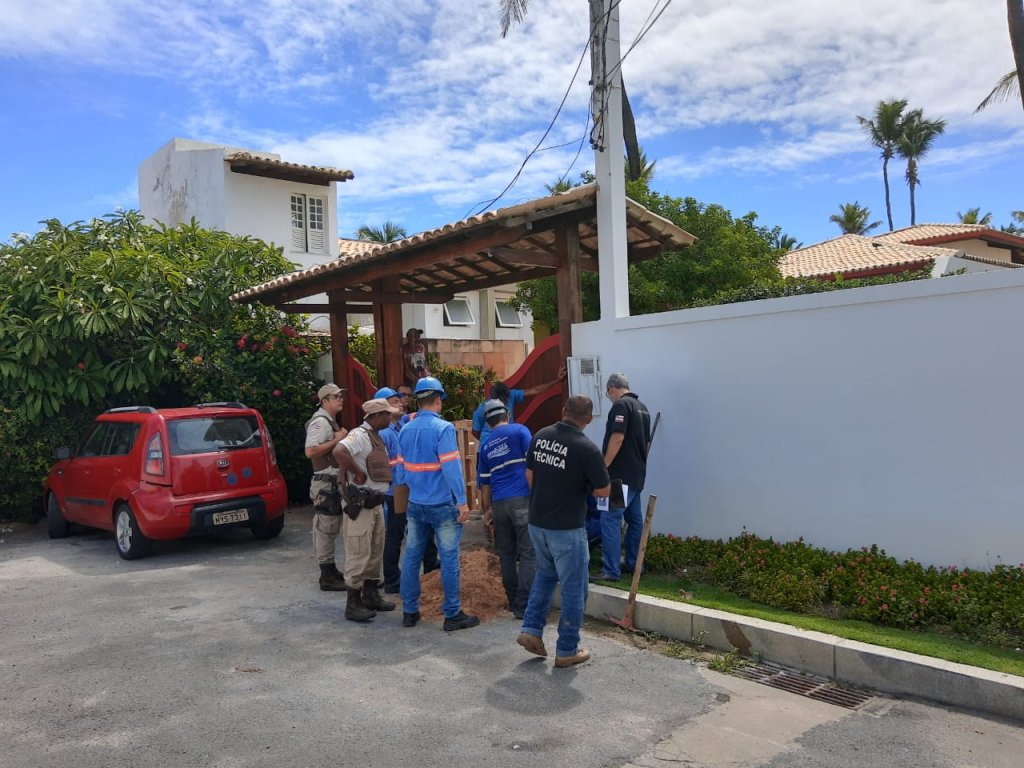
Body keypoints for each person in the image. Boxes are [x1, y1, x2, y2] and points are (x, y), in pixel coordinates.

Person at [517, 395, 610, 668]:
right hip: (567, 528)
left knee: (546, 575)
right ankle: (568, 649)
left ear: (563, 411)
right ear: (588, 419)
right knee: (574, 588)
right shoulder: (587, 448)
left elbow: (530, 476)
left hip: (538, 523)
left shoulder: (540, 436)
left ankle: (530, 629)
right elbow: (603, 491)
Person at [393, 376, 479, 631]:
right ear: (438, 399)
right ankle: (452, 614)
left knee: (412, 557)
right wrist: (462, 503)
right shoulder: (443, 429)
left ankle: (409, 612)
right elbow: (452, 469)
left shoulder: (405, 429)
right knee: (449, 558)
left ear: (418, 401)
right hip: (442, 505)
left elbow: (400, 472)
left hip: (416, 503)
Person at [333, 398, 399, 622]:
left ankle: (370, 595)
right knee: (359, 552)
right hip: (362, 504)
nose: (390, 417)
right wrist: (358, 473)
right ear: (377, 416)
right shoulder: (360, 435)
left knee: (375, 550)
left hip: (375, 502)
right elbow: (339, 451)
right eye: (387, 414)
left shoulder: (375, 436)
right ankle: (352, 604)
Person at [375, 386, 439, 594]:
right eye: (395, 401)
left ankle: (431, 564)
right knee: (395, 535)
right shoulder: (384, 433)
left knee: (423, 527)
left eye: (400, 399)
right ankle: (392, 579)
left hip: (407, 487)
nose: (401, 403)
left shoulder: (401, 427)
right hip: (395, 491)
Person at [477, 399, 535, 620]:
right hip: (522, 500)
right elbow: (533, 464)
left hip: (499, 505)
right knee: (529, 552)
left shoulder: (486, 446)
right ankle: (524, 604)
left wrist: (487, 511)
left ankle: (512, 601)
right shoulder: (520, 431)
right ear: (507, 415)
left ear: (487, 423)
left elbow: (485, 484)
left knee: (507, 554)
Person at [592, 373, 652, 582]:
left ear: (611, 388)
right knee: (634, 520)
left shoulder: (620, 405)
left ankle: (611, 570)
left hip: (619, 478)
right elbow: (646, 444)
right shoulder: (642, 407)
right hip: (636, 476)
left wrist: (604, 466)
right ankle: (634, 564)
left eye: (608, 393)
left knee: (610, 519)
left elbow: (617, 437)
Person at [304, 383, 349, 591]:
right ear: (325, 401)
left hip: (330, 483)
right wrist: (337, 439)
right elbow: (310, 451)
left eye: (341, 396)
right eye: (336, 396)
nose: (341, 399)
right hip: (325, 483)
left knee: (330, 526)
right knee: (326, 528)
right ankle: (327, 575)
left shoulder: (329, 421)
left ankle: (330, 570)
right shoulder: (321, 422)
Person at [471, 366, 567, 447]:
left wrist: (557, 381)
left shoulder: (511, 395)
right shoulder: (482, 409)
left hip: (507, 444)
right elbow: (475, 432)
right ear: (493, 398)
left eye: (505, 400)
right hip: (488, 446)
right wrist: (488, 441)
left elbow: (535, 390)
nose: (503, 403)